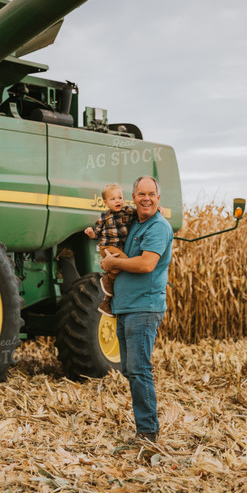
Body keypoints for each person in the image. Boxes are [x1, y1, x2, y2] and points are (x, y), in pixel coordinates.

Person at [100, 175, 173, 444]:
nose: (146, 199)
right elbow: (111, 216)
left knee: (139, 368)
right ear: (133, 198)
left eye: (151, 194)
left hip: (144, 306)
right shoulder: (135, 223)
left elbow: (145, 265)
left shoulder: (157, 227)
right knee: (130, 369)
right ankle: (145, 427)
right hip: (126, 306)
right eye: (141, 194)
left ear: (158, 198)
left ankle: (147, 432)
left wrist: (111, 264)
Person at [84, 183, 136, 317]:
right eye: (113, 199)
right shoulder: (103, 217)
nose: (117, 201)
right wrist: (91, 233)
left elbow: (141, 214)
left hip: (119, 247)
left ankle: (107, 302)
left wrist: (157, 211)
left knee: (119, 273)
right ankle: (107, 281)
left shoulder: (128, 211)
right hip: (107, 247)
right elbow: (97, 234)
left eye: (120, 197)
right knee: (127, 263)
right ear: (106, 202)